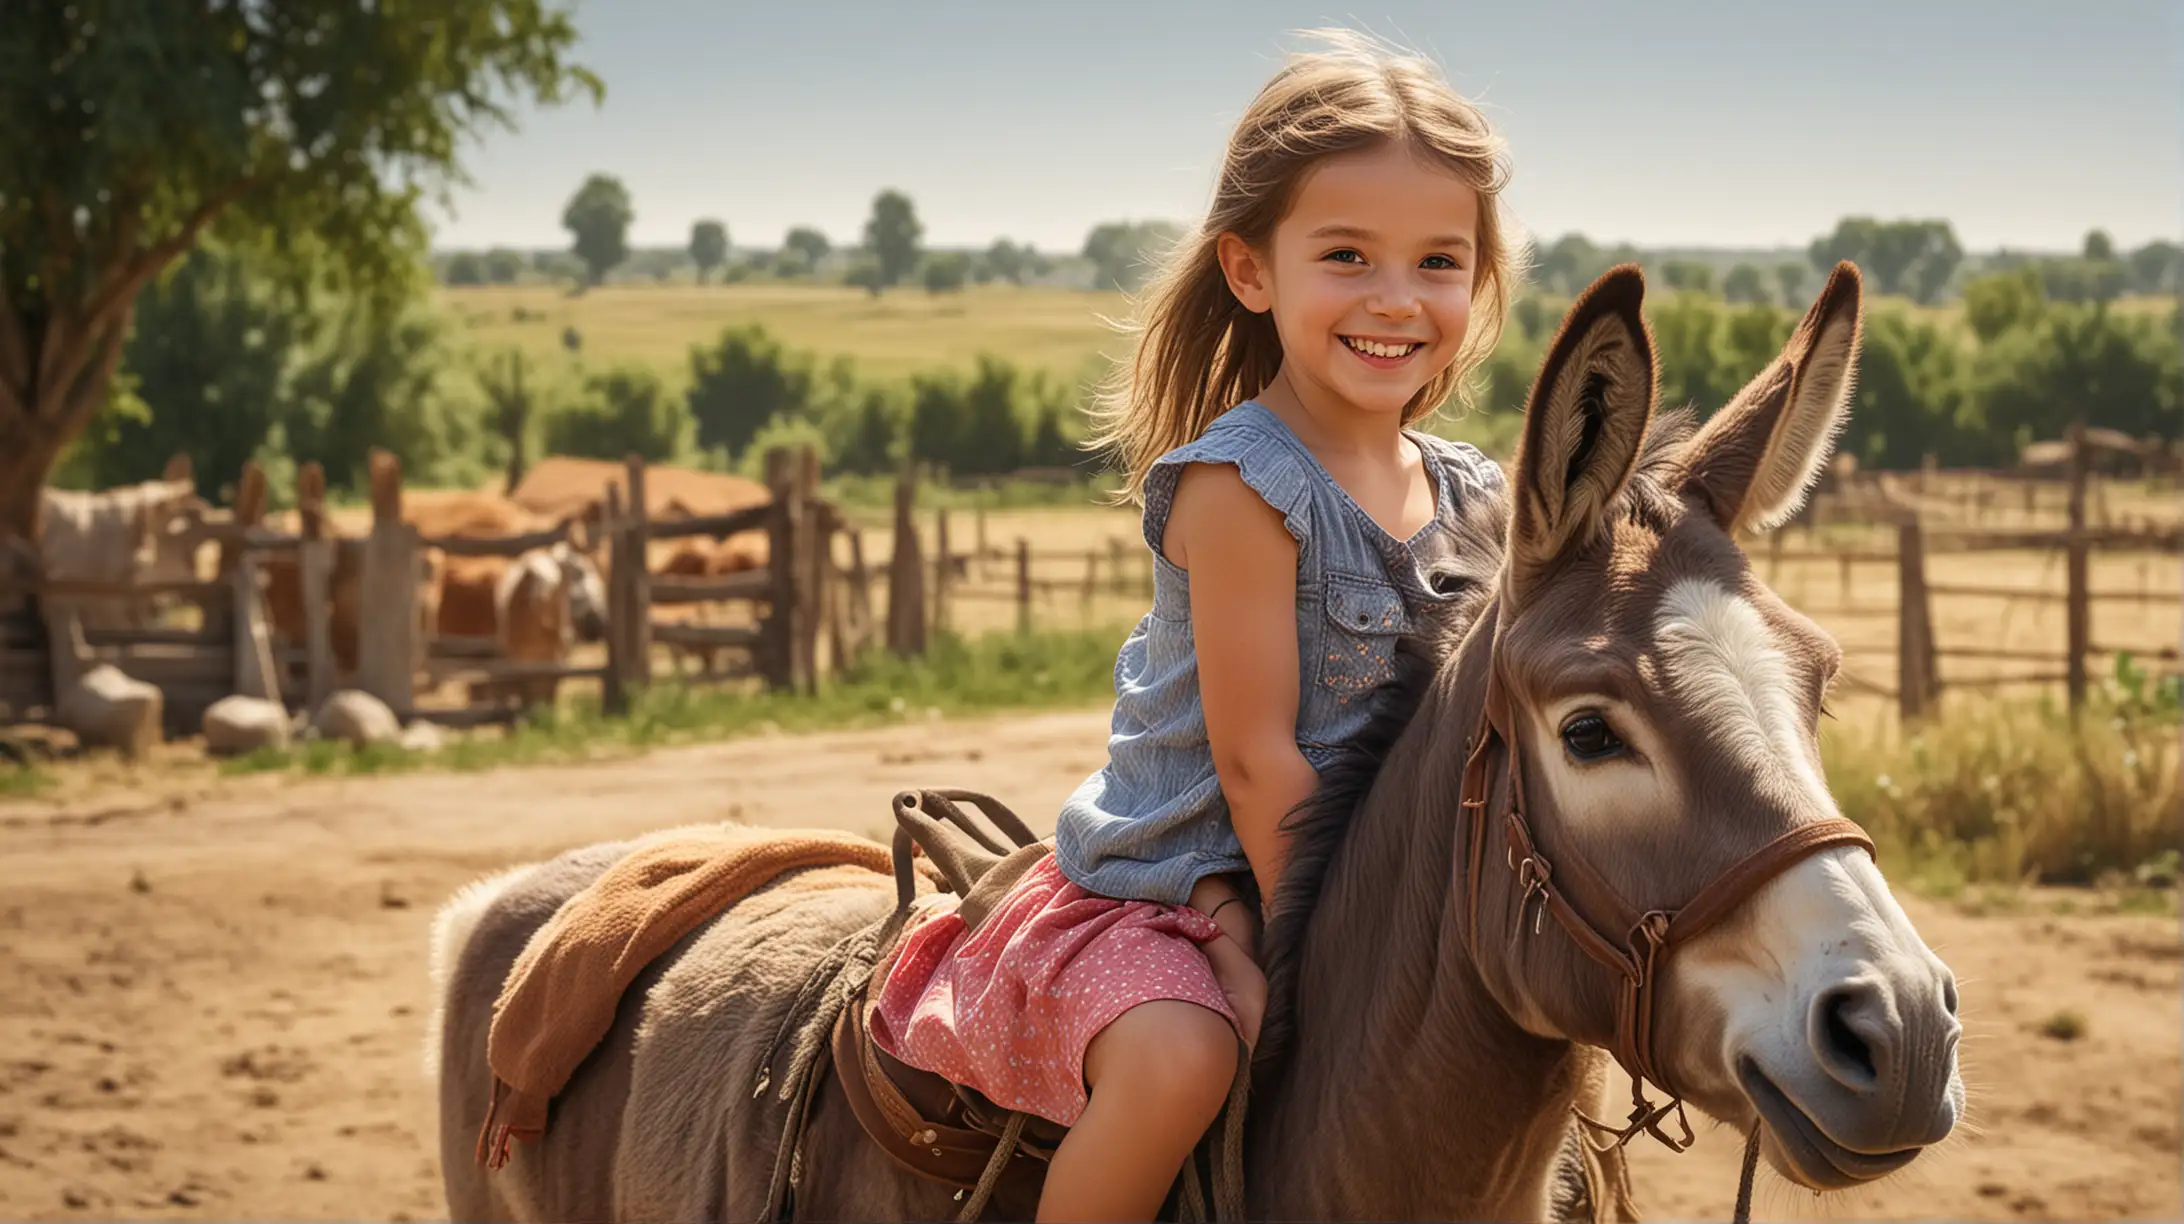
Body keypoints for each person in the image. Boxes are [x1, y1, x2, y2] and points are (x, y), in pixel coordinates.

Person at [869, 29, 1520, 1222]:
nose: (1395, 298)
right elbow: (1255, 759)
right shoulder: (1242, 483)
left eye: (1438, 260)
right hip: (1181, 880)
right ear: (1251, 268)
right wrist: (1315, 960)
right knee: (1185, 1060)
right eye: (1346, 255)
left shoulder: (1478, 494)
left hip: (1390, 893)